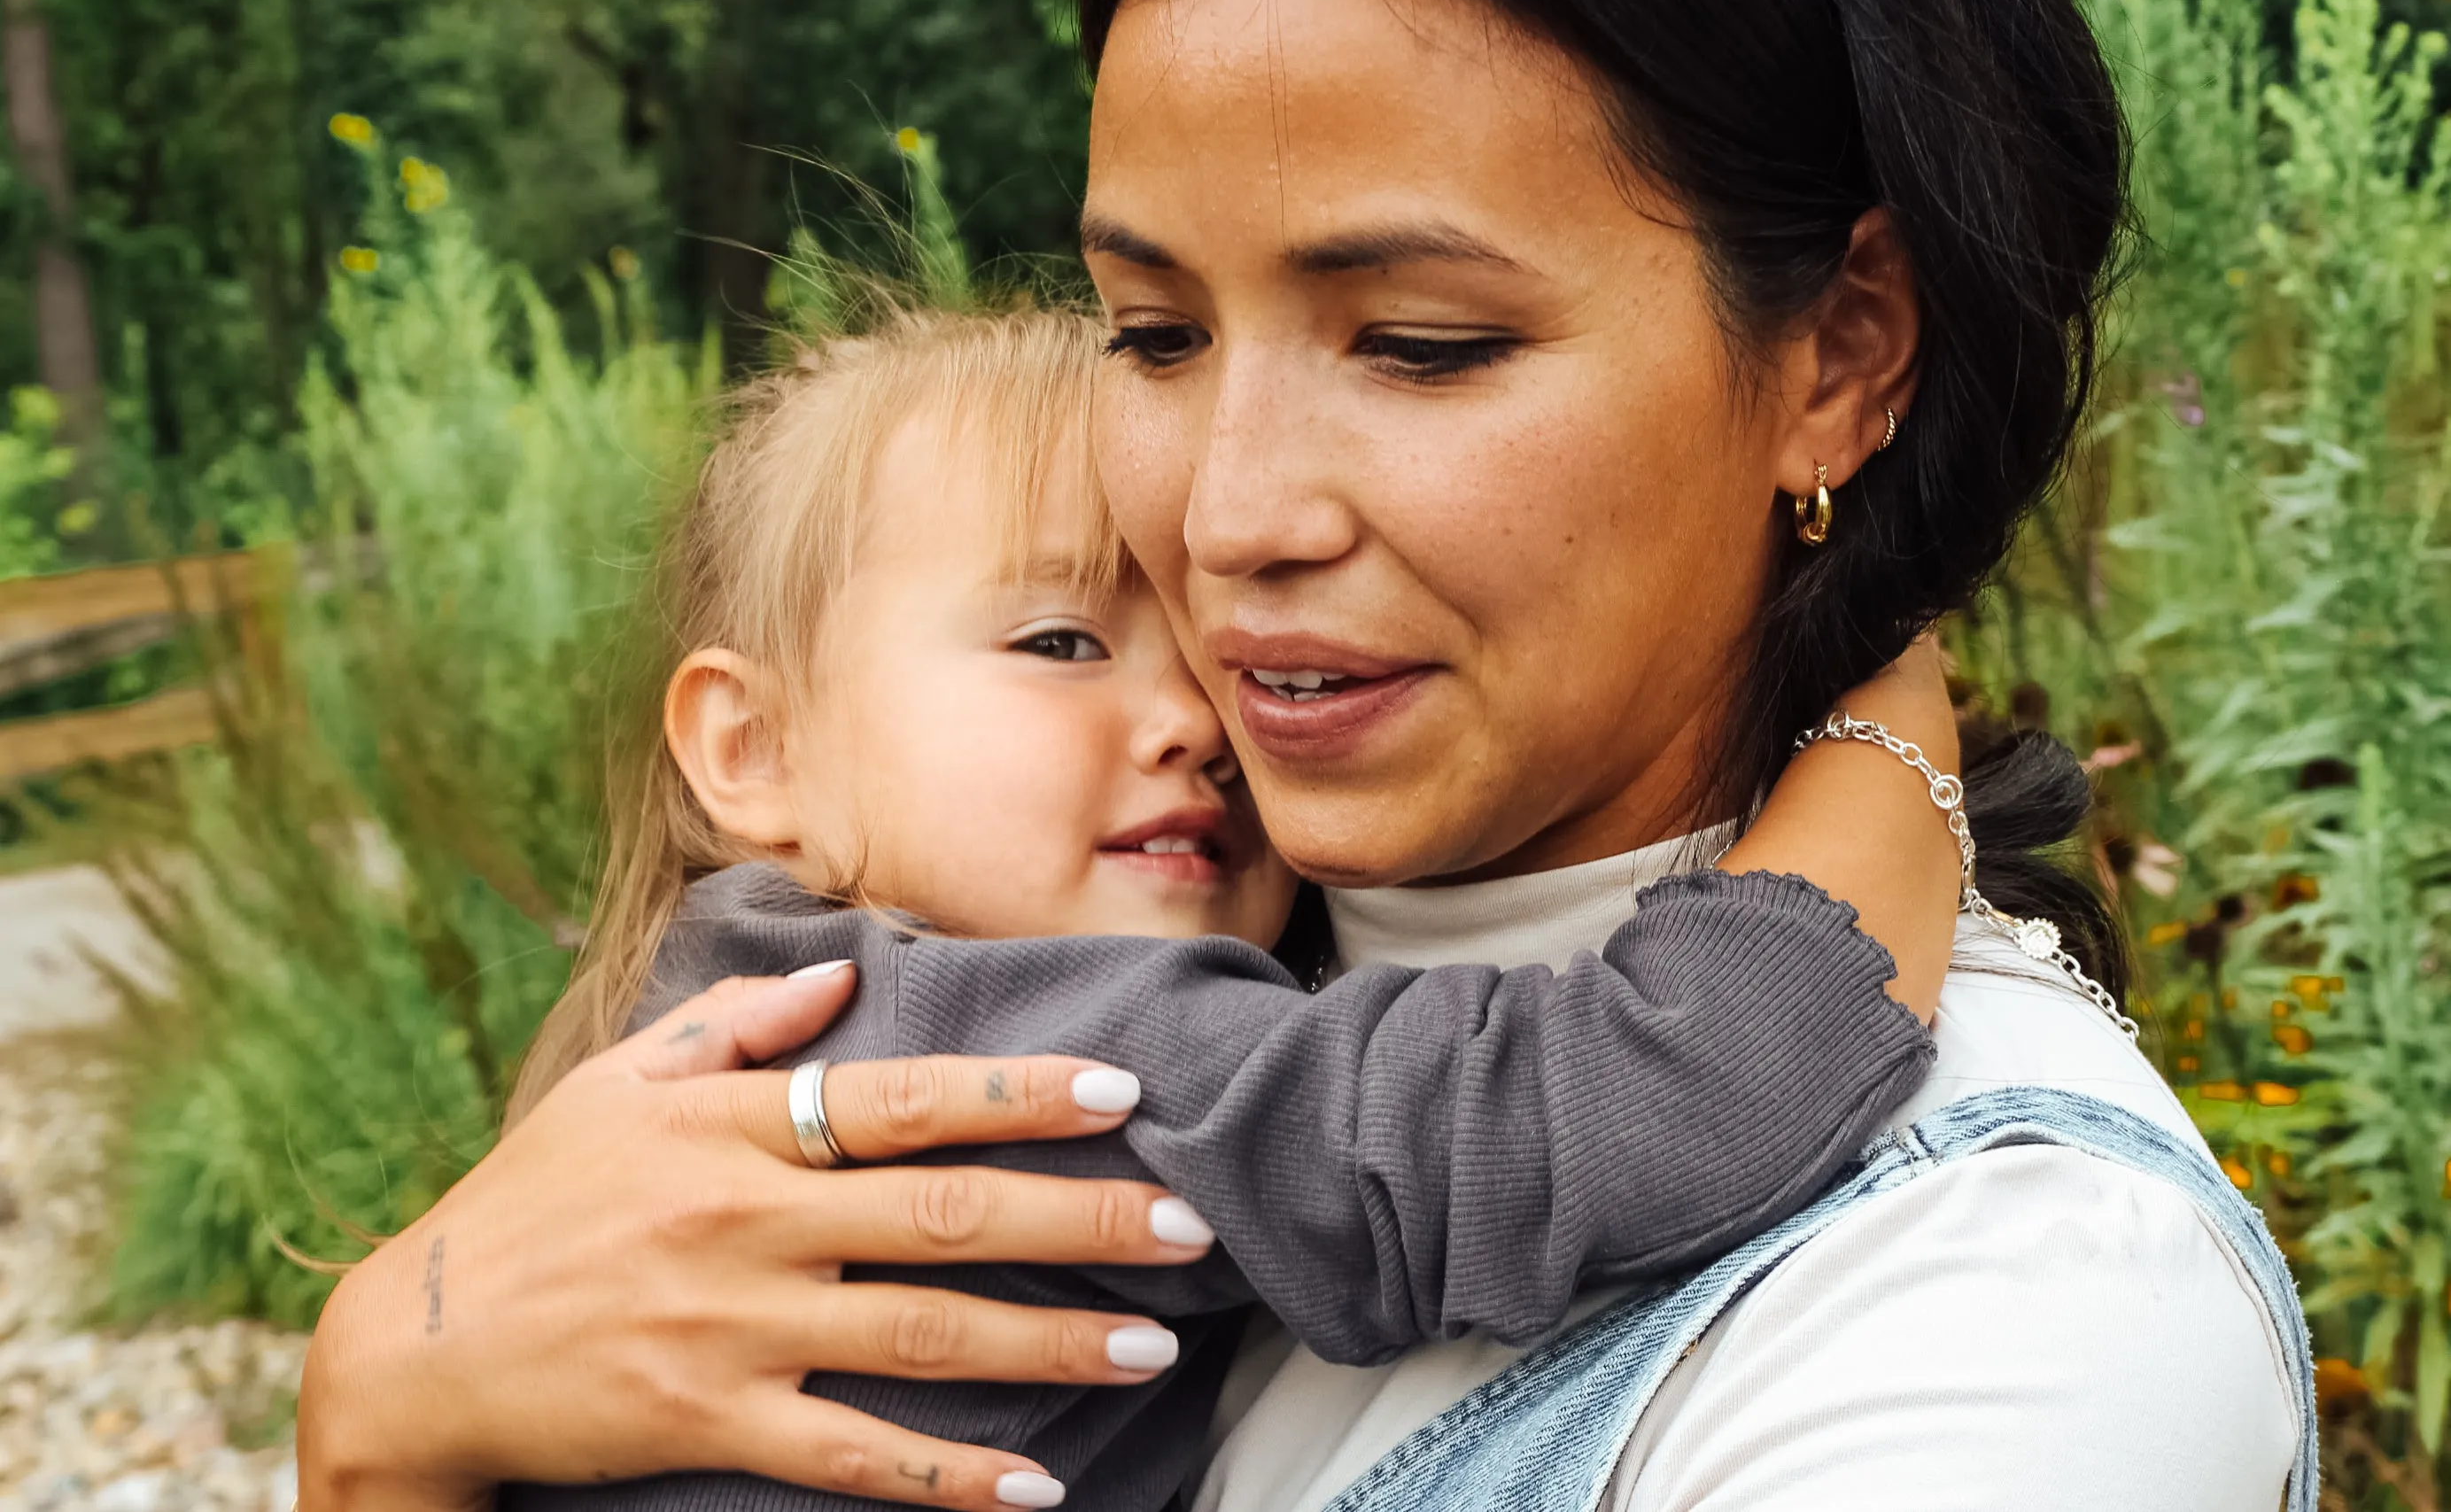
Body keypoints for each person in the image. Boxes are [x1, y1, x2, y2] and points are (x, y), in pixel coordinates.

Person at [295, 0, 2314, 1509]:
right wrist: (388, 1404)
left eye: (1422, 344)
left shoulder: (2015, 1319)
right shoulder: (1106, 974)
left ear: (1845, 350)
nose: (1228, 519)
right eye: (1154, 333)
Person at [502, 300, 1960, 1510]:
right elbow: (1633, 1110)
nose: (1193, 724)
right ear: (758, 750)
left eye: (1218, 660)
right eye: (1061, 640)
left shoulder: (730, 1011)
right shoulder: (999, 1043)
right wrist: (1888, 716)